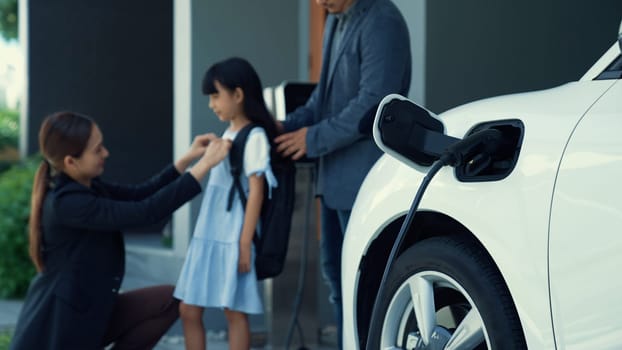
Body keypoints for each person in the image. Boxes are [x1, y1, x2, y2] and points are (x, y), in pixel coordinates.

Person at [9, 111, 231, 350]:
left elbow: (140, 194)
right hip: (63, 326)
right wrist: (205, 165)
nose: (106, 153)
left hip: (90, 309)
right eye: (97, 150)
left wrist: (185, 160)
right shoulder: (68, 204)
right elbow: (146, 212)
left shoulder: (87, 187)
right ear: (70, 162)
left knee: (169, 301)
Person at [274, 0, 412, 347]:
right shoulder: (336, 19)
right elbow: (324, 97)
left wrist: (312, 138)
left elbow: (373, 103)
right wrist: (285, 127)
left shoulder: (383, 20)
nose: (318, 2)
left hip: (365, 181)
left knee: (366, 290)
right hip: (333, 181)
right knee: (339, 284)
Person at [173, 57, 279, 350]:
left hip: (232, 234)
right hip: (209, 231)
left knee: (233, 309)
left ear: (238, 94)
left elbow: (256, 190)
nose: (212, 104)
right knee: (189, 309)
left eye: (216, 95)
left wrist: (245, 244)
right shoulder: (227, 133)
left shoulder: (255, 135)